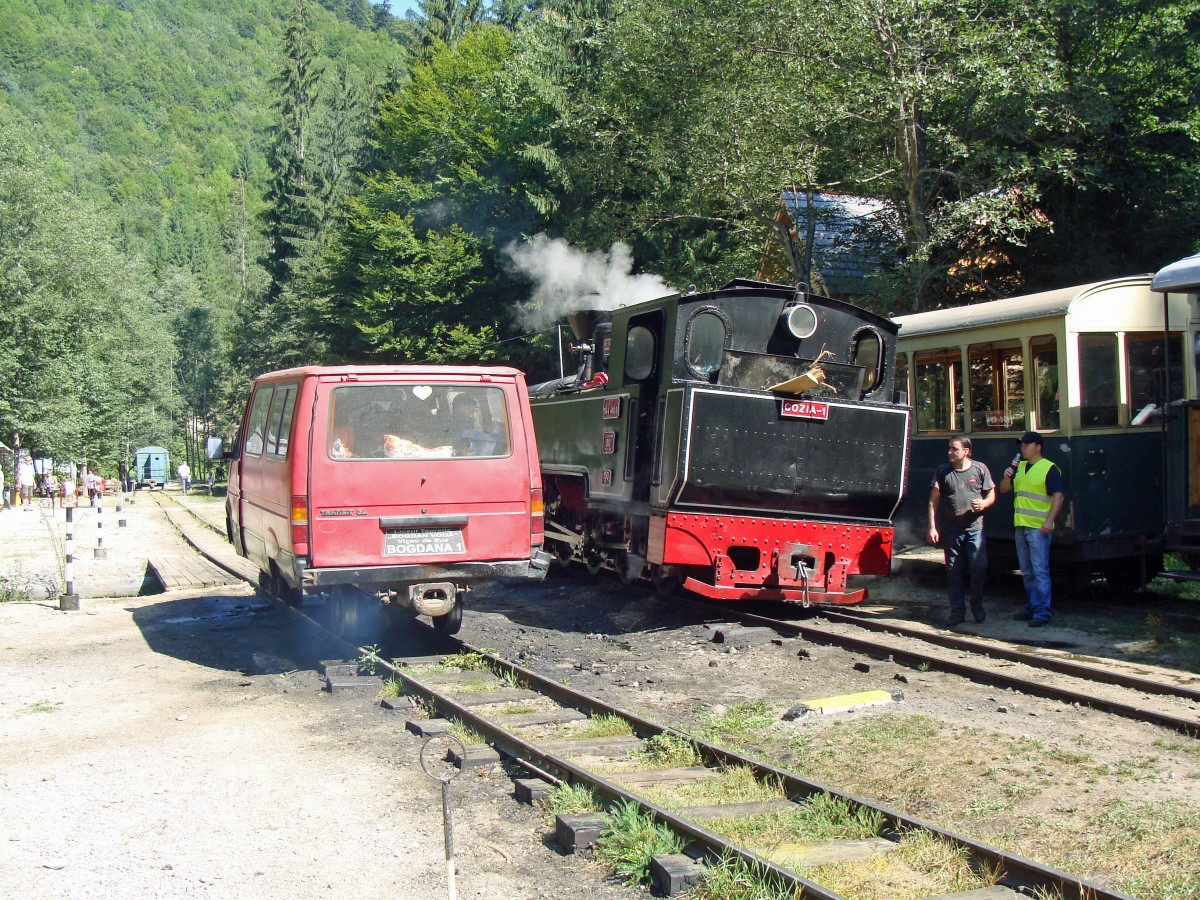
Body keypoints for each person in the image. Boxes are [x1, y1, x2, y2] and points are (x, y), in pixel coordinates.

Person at [927, 435, 995, 627]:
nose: (950, 452)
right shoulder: (942, 471)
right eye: (949, 448)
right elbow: (933, 500)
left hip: (975, 528)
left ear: (966, 451)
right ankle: (957, 611)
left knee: (978, 567)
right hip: (951, 529)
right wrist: (932, 527)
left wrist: (984, 503)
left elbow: (991, 493)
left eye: (954, 449)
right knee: (953, 571)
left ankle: (977, 607)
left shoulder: (980, 469)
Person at [1000, 431, 1066, 627]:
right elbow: (1004, 489)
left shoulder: (1049, 468)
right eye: (1022, 445)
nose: (1023, 448)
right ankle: (1032, 606)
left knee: (1039, 571)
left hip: (1038, 528)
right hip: (1021, 525)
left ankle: (1043, 611)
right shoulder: (1018, 467)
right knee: (1027, 571)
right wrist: (1007, 476)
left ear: (1038, 447)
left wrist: (1048, 522)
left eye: (1027, 445)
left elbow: (1058, 496)